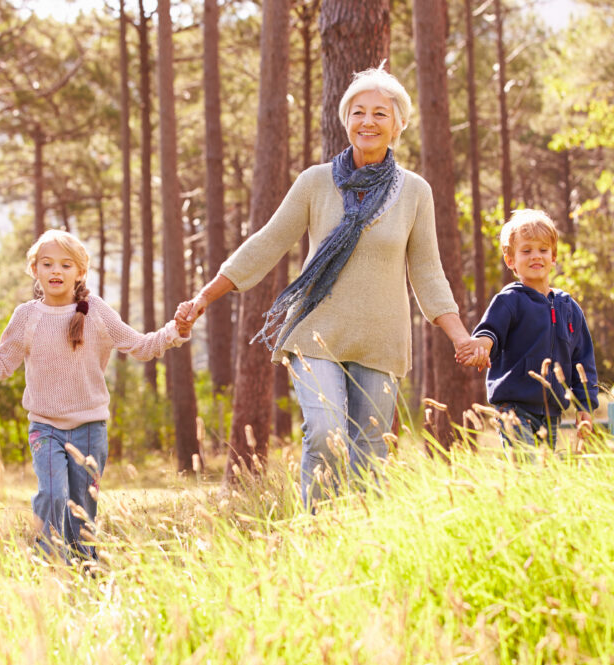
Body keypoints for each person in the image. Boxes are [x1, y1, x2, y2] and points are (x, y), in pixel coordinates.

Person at [178, 66, 472, 506]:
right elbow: (267, 242)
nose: (367, 122)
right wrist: (205, 295)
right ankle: (316, 534)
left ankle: (356, 546)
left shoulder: (415, 192)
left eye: (379, 113)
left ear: (398, 125)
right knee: (325, 431)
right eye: (358, 112)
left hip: (381, 341)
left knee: (370, 455)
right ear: (345, 119)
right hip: (316, 334)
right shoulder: (317, 182)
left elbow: (428, 272)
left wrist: (460, 335)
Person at [0, 229, 191, 560]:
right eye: (47, 264)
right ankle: (51, 564)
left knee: (82, 512)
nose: (56, 271)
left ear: (80, 272)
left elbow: (140, 345)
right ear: (34, 270)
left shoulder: (95, 311)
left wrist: (175, 331)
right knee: (53, 495)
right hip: (45, 427)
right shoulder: (26, 316)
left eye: (66, 265)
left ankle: (85, 576)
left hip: (89, 429)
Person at [457, 210, 598, 448]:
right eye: (526, 250)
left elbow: (583, 361)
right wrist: (482, 345)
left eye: (543, 250)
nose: (536, 256)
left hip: (551, 413)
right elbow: (490, 331)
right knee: (525, 467)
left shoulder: (569, 308)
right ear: (510, 260)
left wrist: (585, 407)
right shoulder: (510, 300)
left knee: (540, 477)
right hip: (514, 409)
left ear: (553, 257)